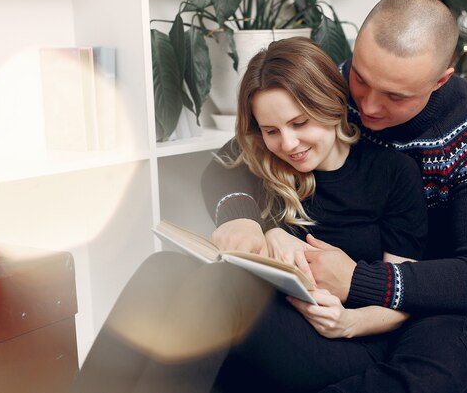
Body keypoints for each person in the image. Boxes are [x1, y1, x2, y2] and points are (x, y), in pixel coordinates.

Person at [201, 0, 467, 393]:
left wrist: (357, 281)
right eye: (360, 78)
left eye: (395, 95)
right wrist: (248, 221)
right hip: (330, 305)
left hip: (442, 308)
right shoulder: (332, 91)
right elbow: (235, 157)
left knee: (431, 371)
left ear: (440, 80)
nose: (367, 106)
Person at [71, 36, 427, 393]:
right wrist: (245, 221)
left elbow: (405, 296)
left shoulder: (393, 173)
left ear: (331, 106)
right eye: (272, 131)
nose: (288, 144)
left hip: (347, 339)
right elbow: (220, 168)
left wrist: (349, 321)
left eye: (300, 123)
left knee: (226, 283)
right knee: (163, 269)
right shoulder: (267, 159)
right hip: (272, 323)